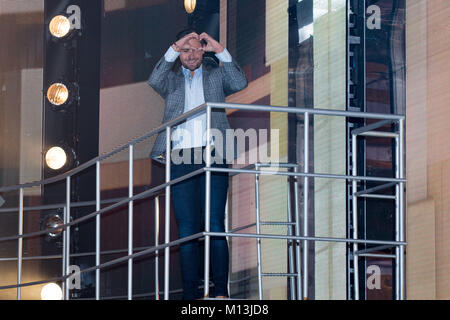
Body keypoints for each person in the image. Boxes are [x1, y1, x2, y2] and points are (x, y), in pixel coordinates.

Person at [148, 29, 248, 299]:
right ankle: (190, 296)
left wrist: (220, 49)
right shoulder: (170, 80)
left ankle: (221, 293)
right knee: (188, 230)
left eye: (196, 49)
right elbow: (154, 78)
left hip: (213, 152)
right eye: (185, 50)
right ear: (179, 53)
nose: (191, 55)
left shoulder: (216, 75)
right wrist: (174, 45)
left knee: (215, 223)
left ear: (203, 51)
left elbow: (239, 82)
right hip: (180, 155)